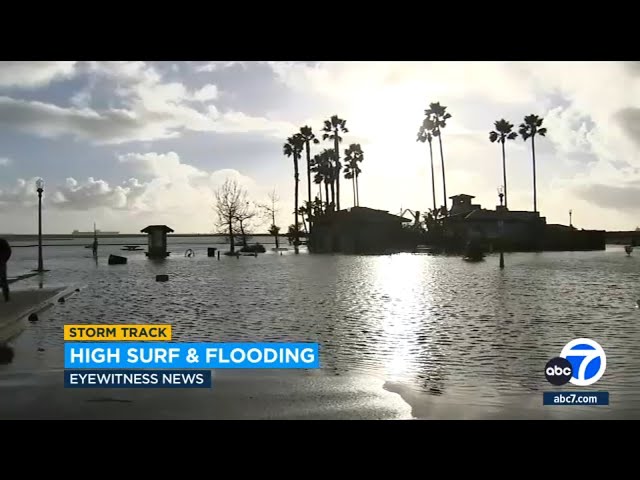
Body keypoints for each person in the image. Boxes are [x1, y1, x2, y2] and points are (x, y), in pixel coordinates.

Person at [0, 237, 11, 302]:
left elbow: (8, 251)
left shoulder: (2, 242)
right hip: (2, 262)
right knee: (3, 280)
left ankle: (6, 297)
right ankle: (6, 297)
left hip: (1, 263)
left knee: (3, 280)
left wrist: (3, 260)